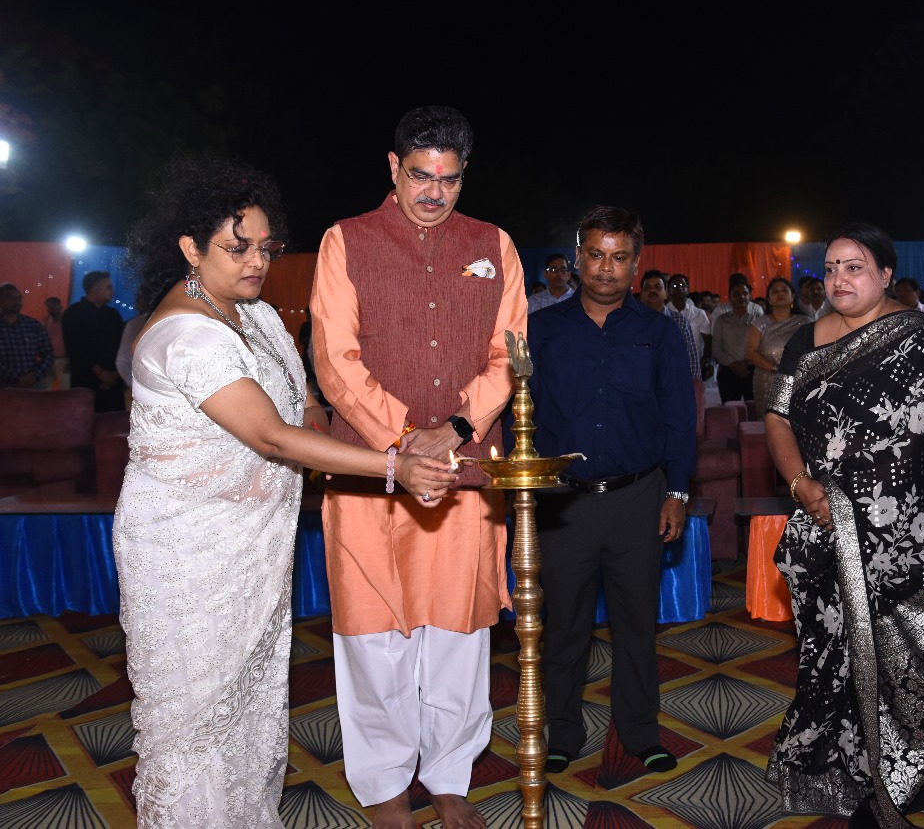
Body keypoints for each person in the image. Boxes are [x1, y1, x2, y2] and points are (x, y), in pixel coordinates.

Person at [112, 156, 451, 828]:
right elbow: (269, 435)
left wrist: (327, 436)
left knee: (251, 710)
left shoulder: (259, 318)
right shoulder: (183, 336)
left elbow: (303, 408)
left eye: (265, 248)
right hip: (188, 555)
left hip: (257, 548)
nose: (256, 263)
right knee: (193, 723)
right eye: (236, 248)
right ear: (190, 248)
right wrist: (392, 467)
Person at [310, 105, 524, 829]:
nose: (435, 193)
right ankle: (384, 787)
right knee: (375, 635)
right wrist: (403, 441)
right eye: (421, 176)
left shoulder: (494, 244)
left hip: (466, 472)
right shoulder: (345, 241)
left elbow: (509, 354)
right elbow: (335, 361)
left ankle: (450, 775)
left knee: (460, 632)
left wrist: (456, 429)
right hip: (370, 474)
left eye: (450, 180)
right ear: (393, 168)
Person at [763, 223, 924, 825]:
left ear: (886, 275)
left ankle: (904, 773)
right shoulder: (807, 338)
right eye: (831, 267)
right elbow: (778, 418)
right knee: (829, 651)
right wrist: (800, 484)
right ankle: (838, 768)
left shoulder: (920, 337)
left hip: (907, 530)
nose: (838, 279)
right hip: (824, 521)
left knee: (901, 654)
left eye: (854, 267)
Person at [526, 205, 696, 777]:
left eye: (619, 257)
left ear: (636, 263)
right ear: (578, 257)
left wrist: (677, 493)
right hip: (563, 502)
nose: (606, 268)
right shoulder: (542, 330)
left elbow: (679, 419)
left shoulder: (659, 333)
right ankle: (563, 732)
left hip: (638, 499)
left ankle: (640, 732)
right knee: (564, 626)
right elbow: (521, 419)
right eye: (595, 255)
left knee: (636, 625)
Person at [62, 270, 126, 411]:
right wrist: (101, 373)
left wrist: (114, 374)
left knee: (112, 421)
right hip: (85, 381)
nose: (113, 292)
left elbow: (122, 346)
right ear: (96, 288)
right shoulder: (73, 314)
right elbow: (75, 348)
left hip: (113, 382)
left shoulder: (113, 315)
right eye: (108, 287)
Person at [745, 276, 811, 404]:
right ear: (769, 299)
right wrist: (778, 369)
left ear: (792, 297)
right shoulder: (759, 324)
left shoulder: (806, 322)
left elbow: (814, 351)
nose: (780, 293)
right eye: (775, 291)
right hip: (767, 382)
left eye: (784, 290)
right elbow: (751, 353)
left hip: (800, 380)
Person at [639, 269, 700, 380]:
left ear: (666, 293)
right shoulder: (632, 323)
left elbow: (691, 361)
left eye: (657, 287)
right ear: (641, 294)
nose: (652, 291)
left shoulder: (680, 322)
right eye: (647, 288)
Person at [0, 282, 54, 389]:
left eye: (19, 298)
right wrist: (16, 379)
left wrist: (35, 376)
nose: (17, 302)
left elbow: (48, 354)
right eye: (11, 298)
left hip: (32, 384)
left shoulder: (33, 325)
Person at [712, 279, 757, 402]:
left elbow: (761, 347)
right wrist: (733, 365)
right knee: (730, 409)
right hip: (728, 372)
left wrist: (746, 364)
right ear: (730, 298)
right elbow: (716, 348)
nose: (741, 297)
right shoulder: (722, 320)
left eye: (744, 293)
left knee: (754, 409)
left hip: (752, 372)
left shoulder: (758, 319)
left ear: (750, 296)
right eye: (736, 294)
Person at [668, 273, 713, 379]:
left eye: (682, 285)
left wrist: (705, 359)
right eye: (675, 286)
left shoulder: (699, 313)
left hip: (694, 367)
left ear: (687, 289)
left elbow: (708, 340)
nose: (679, 288)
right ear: (668, 291)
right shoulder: (664, 313)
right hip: (669, 367)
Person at [43, 296, 69, 389]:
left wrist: (71, 360)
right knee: (44, 389)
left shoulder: (67, 321)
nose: (51, 307)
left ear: (60, 307)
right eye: (49, 305)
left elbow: (73, 341)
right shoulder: (46, 322)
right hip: (48, 359)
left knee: (66, 389)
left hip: (64, 360)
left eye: (54, 305)